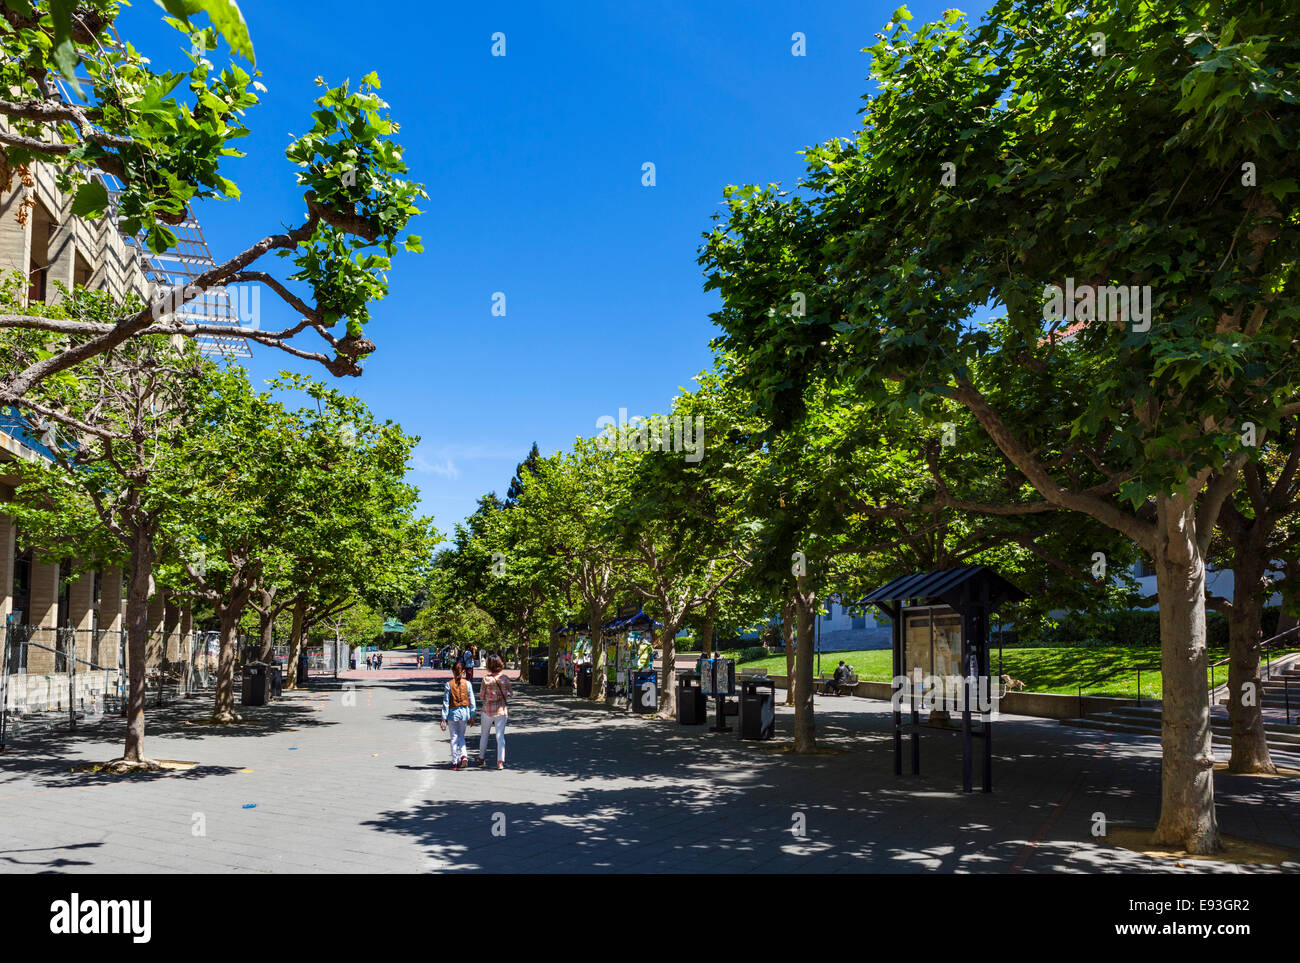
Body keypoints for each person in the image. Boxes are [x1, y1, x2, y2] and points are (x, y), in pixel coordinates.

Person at [477, 655, 511, 769]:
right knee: (500, 736)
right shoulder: (505, 678)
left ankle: (481, 758)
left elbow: (481, 696)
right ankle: (500, 762)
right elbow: (510, 694)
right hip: (501, 710)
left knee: (484, 735)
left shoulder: (486, 679)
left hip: (487, 710)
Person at [440, 662, 477, 770]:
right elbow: (472, 701)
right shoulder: (468, 684)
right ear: (463, 671)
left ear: (452, 671)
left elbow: (446, 703)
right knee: (461, 735)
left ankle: (455, 762)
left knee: (454, 737)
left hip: (453, 713)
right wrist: (472, 715)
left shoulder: (449, 684)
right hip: (464, 712)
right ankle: (464, 755)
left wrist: (443, 718)